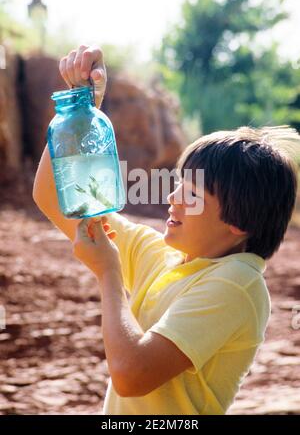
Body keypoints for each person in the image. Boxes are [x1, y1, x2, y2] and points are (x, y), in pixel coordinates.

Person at [32, 45, 299, 415]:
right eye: (177, 184)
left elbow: (131, 375)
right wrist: (79, 111)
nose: (172, 198)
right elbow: (50, 196)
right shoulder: (157, 253)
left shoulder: (237, 284)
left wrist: (109, 273)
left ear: (238, 222)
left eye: (191, 193)